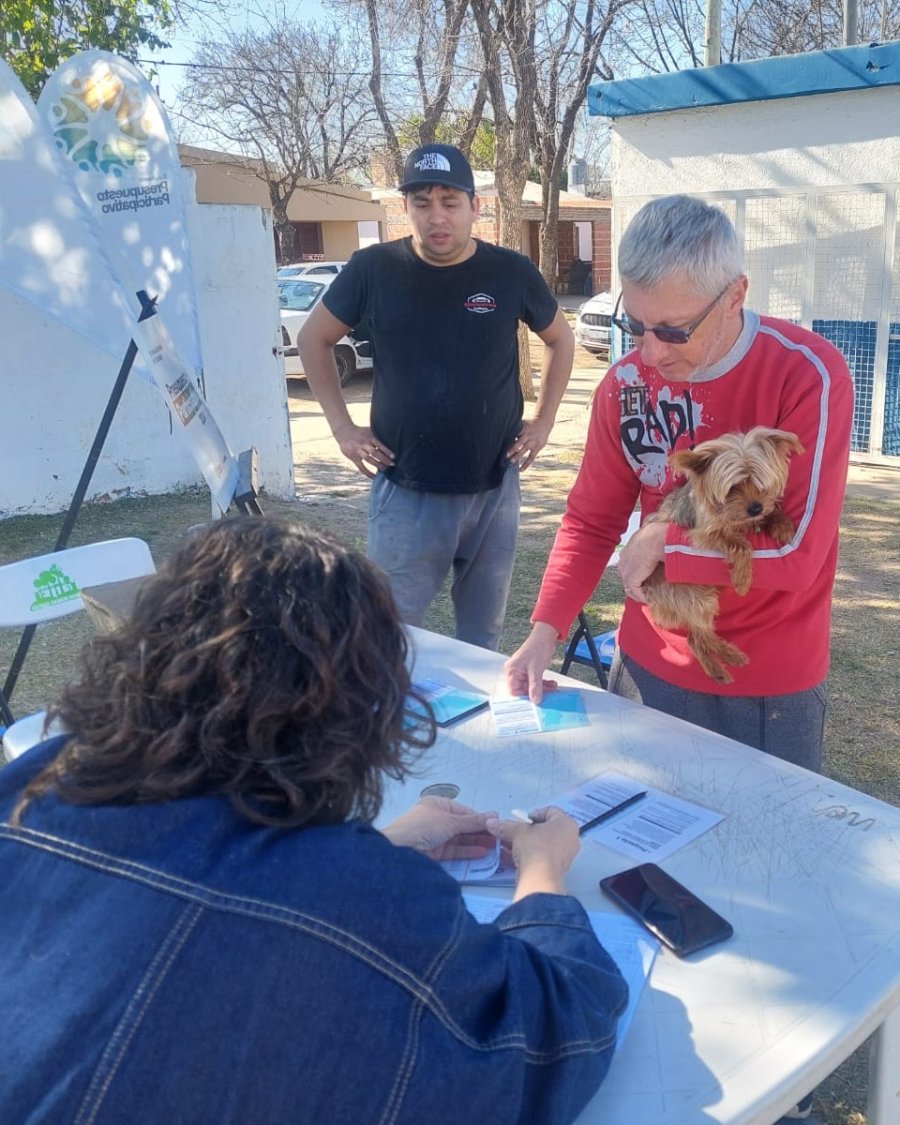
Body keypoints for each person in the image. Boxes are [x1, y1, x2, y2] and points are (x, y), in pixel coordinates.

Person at [0, 516, 627, 1125]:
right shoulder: (365, 897)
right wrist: (543, 872)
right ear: (355, 713)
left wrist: (382, 849)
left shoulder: (39, 780)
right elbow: (554, 1038)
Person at [507, 194, 854, 777]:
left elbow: (797, 554)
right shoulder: (624, 386)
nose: (649, 353)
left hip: (768, 685)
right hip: (647, 668)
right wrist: (545, 633)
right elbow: (591, 521)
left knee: (759, 835)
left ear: (735, 296)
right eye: (635, 326)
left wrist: (664, 546)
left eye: (672, 331)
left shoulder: (807, 374)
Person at [298, 142, 575, 651]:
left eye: (450, 201)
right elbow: (313, 339)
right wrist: (342, 428)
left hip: (495, 488)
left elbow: (561, 339)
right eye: (422, 202)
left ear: (475, 206)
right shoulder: (373, 269)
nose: (437, 216)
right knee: (389, 638)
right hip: (407, 489)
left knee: (482, 639)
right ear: (406, 207)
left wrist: (544, 421)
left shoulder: (510, 272)